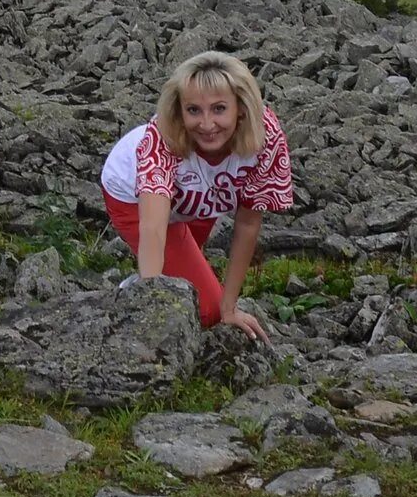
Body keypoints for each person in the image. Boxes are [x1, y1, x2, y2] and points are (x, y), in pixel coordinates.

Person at [97, 49, 293, 339]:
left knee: (209, 301)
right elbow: (153, 228)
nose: (206, 124)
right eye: (193, 110)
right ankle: (133, 292)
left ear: (240, 106)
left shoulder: (266, 136)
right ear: (179, 110)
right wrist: (154, 305)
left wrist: (231, 307)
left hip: (200, 199)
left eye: (218, 109)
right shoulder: (159, 139)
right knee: (205, 311)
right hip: (133, 196)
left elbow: (248, 222)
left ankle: (150, 279)